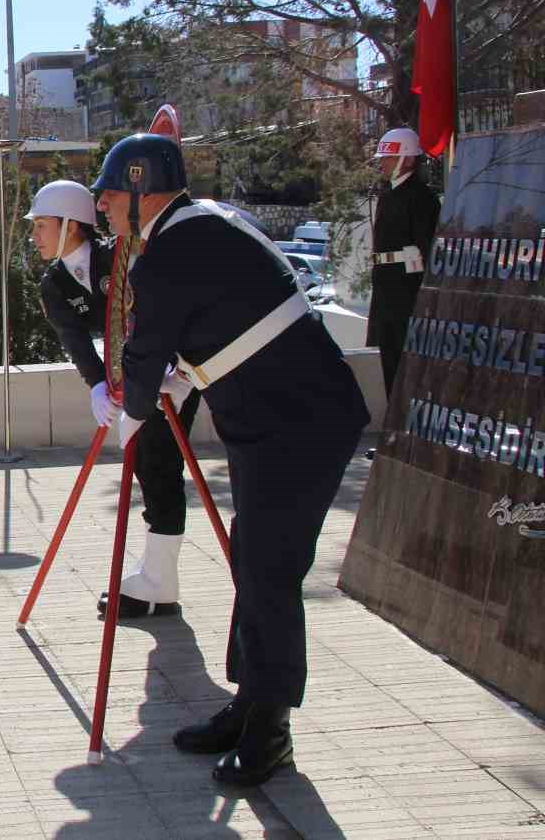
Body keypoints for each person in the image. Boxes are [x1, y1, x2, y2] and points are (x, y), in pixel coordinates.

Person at [92, 133, 368, 787]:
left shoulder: (170, 251)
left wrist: (124, 422)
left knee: (269, 575)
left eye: (109, 194)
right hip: (276, 427)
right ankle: (249, 706)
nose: (102, 206)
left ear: (142, 189)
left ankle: (270, 734)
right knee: (254, 563)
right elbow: (201, 337)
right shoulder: (203, 226)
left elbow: (147, 350)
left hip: (295, 428)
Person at [28, 179, 203, 618]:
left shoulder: (122, 255)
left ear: (71, 226)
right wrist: (97, 384)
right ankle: (157, 576)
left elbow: (155, 310)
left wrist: (163, 368)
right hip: (139, 376)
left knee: (159, 460)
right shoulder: (54, 283)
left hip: (176, 368)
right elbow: (76, 340)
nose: (34, 236)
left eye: (42, 226)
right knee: (146, 463)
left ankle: (159, 582)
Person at [366, 126, 441, 405]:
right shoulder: (388, 194)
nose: (383, 163)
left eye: (388, 157)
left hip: (407, 293)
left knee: (404, 359)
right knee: (384, 357)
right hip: (386, 290)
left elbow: (429, 249)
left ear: (407, 159)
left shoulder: (421, 198)